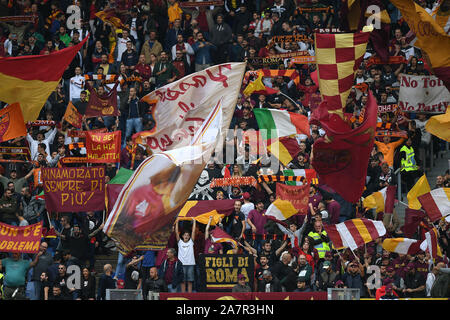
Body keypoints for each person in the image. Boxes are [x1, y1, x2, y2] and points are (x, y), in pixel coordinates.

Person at [175, 217, 196, 293]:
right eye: (185, 235)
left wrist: (194, 222)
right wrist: (177, 222)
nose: (186, 236)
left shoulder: (191, 242)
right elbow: (176, 232)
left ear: (189, 236)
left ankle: (189, 295)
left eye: (187, 235)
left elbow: (193, 232)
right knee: (182, 281)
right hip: (182, 264)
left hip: (190, 264)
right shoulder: (179, 242)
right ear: (182, 236)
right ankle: (184, 295)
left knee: (190, 281)